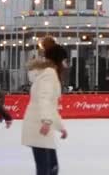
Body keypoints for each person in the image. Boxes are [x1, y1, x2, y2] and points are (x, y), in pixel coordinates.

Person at [22, 44, 68, 175]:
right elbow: (44, 98)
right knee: (47, 168)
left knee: (50, 167)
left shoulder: (48, 73)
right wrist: (47, 121)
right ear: (58, 60)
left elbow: (52, 106)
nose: (65, 64)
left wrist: (60, 127)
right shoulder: (49, 74)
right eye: (64, 60)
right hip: (39, 126)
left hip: (41, 125)